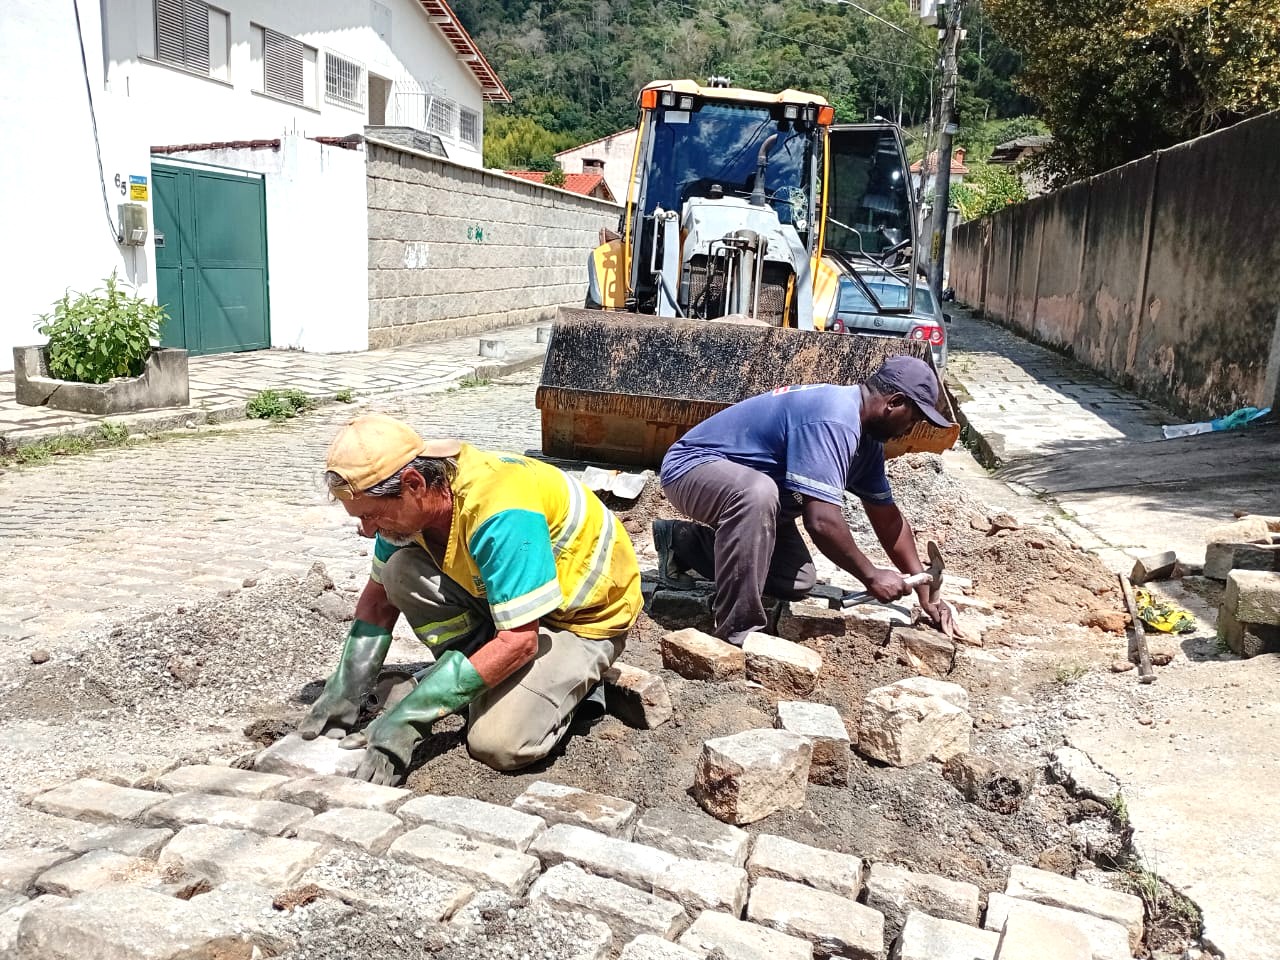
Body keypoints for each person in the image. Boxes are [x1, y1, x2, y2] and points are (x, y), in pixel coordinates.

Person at [299, 414, 642, 785]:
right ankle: (481, 679)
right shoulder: (408, 507)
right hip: (508, 609)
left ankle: (571, 688)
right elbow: (377, 602)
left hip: (579, 620)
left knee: (498, 743)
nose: (367, 531)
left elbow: (520, 641)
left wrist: (412, 716)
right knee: (399, 571)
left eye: (372, 516)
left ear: (413, 483)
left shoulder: (500, 511)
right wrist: (347, 688)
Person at [655, 355, 959, 646]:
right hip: (692, 469)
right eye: (912, 419)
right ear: (894, 402)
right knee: (757, 492)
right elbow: (821, 521)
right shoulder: (835, 418)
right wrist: (871, 575)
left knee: (797, 579)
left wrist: (925, 587)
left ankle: (681, 543)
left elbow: (888, 520)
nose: (909, 429)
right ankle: (736, 632)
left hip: (760, 498)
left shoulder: (866, 443)